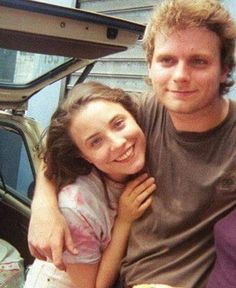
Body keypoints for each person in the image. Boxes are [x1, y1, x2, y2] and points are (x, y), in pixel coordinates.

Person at [28, 0, 236, 287]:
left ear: (224, 69)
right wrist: (44, 208)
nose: (180, 76)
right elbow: (59, 147)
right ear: (149, 67)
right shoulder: (136, 116)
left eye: (198, 61)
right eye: (167, 60)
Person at [24, 81, 156, 288]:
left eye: (119, 124)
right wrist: (124, 220)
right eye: (96, 141)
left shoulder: (145, 143)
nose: (118, 142)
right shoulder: (77, 205)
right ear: (82, 155)